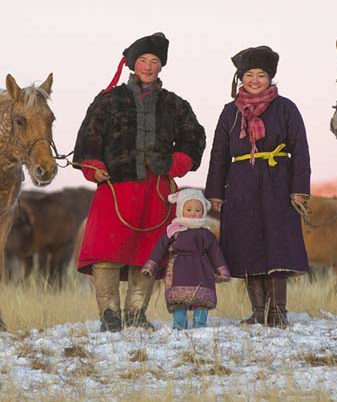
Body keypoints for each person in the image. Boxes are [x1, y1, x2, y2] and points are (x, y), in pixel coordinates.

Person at [72, 32, 206, 332]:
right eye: (143, 61)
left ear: (161, 66)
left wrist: (177, 163)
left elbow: (194, 138)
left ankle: (135, 313)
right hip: (115, 188)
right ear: (133, 64)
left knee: (147, 252)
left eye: (154, 61)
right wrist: (93, 166)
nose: (148, 66)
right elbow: (87, 140)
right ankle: (109, 314)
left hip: (155, 189)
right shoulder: (108, 100)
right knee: (107, 251)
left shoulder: (175, 104)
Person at [204, 45, 311, 328]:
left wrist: (299, 188)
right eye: (249, 75)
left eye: (261, 75)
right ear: (241, 78)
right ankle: (258, 312)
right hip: (241, 184)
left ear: (270, 77)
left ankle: (278, 313)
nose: (254, 80)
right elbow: (218, 153)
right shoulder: (230, 113)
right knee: (247, 245)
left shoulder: (286, 108)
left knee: (278, 246)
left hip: (278, 181)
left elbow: (300, 149)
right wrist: (215, 192)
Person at [141, 188, 231, 330]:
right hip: (179, 270)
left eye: (197, 210)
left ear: (203, 211)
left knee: (202, 300)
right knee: (179, 301)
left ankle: (200, 326)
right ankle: (179, 326)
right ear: (180, 209)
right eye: (189, 209)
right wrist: (151, 265)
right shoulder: (174, 231)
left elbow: (215, 253)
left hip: (201, 271)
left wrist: (222, 270)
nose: (193, 214)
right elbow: (160, 248)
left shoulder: (206, 233)